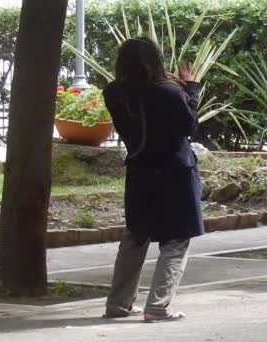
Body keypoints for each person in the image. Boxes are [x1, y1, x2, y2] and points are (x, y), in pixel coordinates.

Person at [101, 37, 204, 322]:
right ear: (155, 60)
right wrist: (191, 88)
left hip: (139, 171)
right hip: (175, 173)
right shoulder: (169, 91)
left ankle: (118, 304)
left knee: (135, 236)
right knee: (176, 239)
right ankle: (158, 305)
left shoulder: (113, 93)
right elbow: (188, 126)